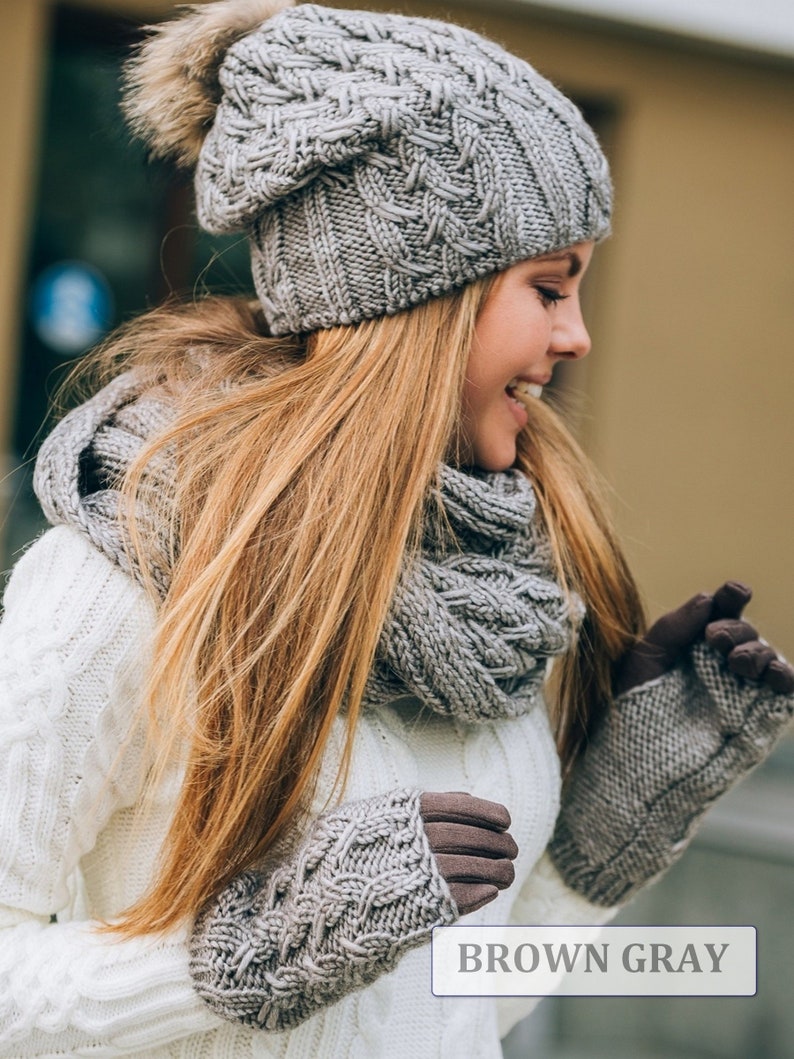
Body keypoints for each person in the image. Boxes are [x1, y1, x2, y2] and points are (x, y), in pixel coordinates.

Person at [0, 1, 791, 1055]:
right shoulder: (123, 583)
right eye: (546, 288)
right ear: (420, 299)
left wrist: (595, 842)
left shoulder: (497, 619)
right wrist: (230, 965)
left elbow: (461, 1008)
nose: (575, 335)